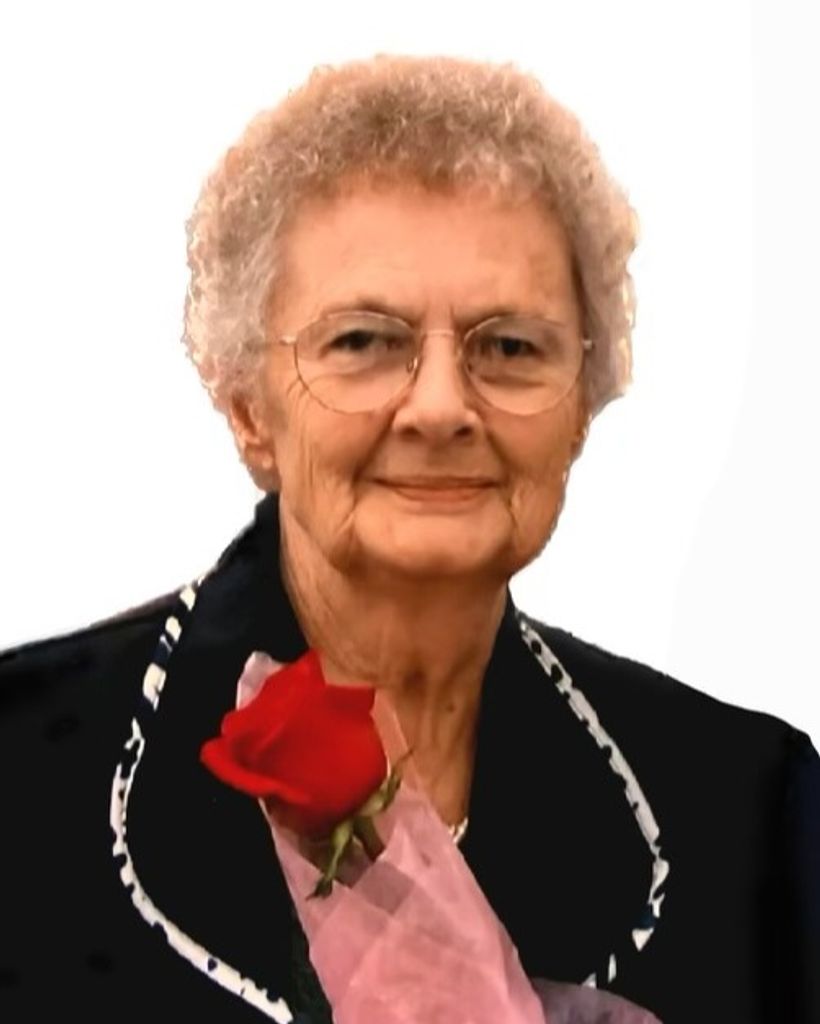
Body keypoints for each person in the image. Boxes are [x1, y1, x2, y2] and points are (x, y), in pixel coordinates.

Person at [0, 53, 817, 1024]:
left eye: (510, 347)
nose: (439, 407)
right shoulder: (19, 769)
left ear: (581, 408)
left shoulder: (752, 809)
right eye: (363, 341)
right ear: (248, 407)